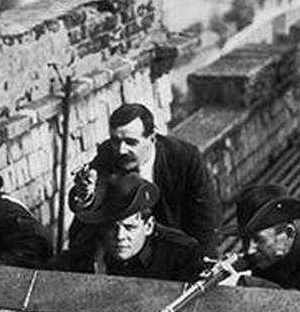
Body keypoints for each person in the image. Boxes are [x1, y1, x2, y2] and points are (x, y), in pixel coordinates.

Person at [70, 103, 220, 255]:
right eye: (115, 141)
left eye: (131, 142)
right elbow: (92, 194)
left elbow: (205, 221)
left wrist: (201, 264)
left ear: (152, 138)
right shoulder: (108, 155)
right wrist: (86, 195)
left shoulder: (185, 159)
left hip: (177, 251)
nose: (121, 150)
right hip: (128, 253)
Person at [55, 173, 205, 282]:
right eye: (112, 228)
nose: (120, 236)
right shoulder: (87, 250)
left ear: (148, 226)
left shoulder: (181, 255)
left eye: (130, 227)